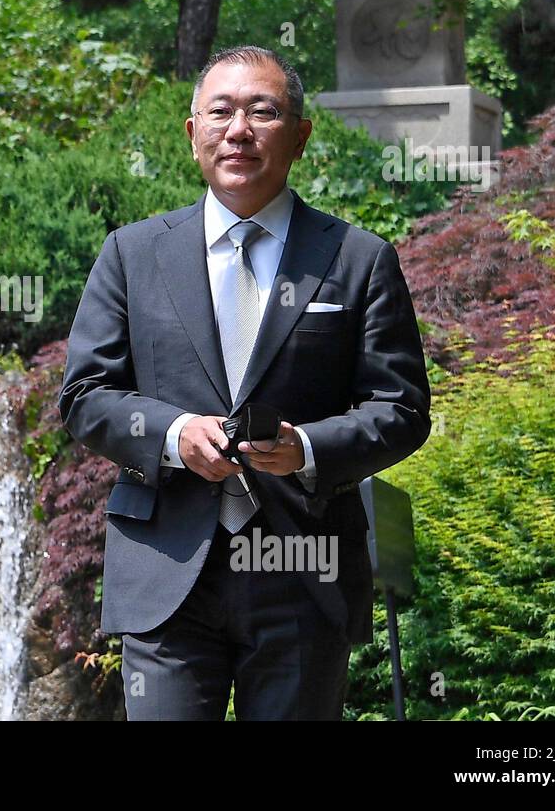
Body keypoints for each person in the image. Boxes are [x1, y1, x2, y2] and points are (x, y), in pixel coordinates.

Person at [59, 45, 430, 720]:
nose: (239, 130)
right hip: (168, 565)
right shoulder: (132, 253)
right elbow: (85, 394)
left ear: (301, 134)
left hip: (303, 567)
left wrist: (307, 447)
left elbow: (401, 407)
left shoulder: (357, 258)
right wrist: (172, 434)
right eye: (221, 111)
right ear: (192, 130)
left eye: (263, 112)